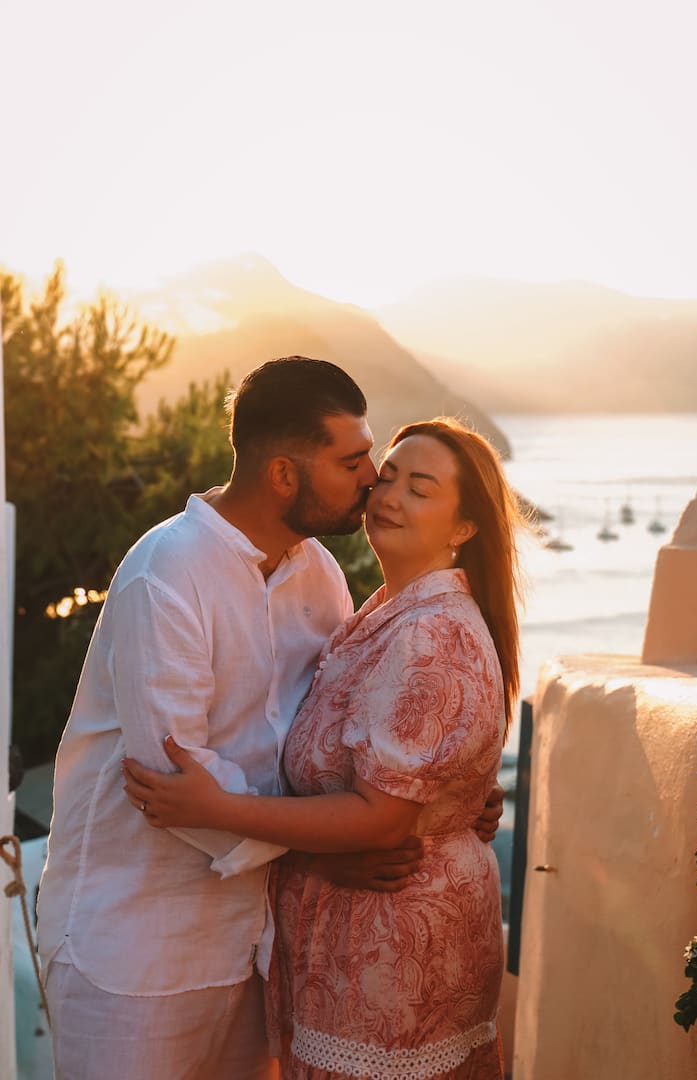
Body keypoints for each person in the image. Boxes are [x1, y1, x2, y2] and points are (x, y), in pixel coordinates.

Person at [37, 357, 502, 1080]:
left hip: (259, 949)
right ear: (284, 474)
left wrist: (445, 793)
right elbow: (173, 784)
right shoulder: (167, 574)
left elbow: (347, 730)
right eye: (353, 462)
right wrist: (323, 852)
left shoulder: (320, 576)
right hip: (137, 945)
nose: (372, 480)